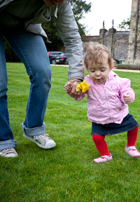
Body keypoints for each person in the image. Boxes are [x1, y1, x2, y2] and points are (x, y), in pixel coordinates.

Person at [0, 0, 84, 157]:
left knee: (42, 73)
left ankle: (34, 128)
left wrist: (76, 77)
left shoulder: (62, 3)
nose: (58, 1)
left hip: (23, 27)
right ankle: (3, 139)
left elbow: (72, 38)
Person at [65, 44, 140, 163]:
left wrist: (128, 96)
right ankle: (105, 155)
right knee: (97, 136)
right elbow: (79, 95)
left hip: (119, 114)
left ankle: (130, 146)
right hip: (99, 117)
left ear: (110, 67)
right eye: (93, 70)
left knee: (133, 127)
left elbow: (126, 90)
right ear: (87, 68)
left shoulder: (117, 80)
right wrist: (73, 91)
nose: (98, 74)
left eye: (102, 70)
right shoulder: (87, 82)